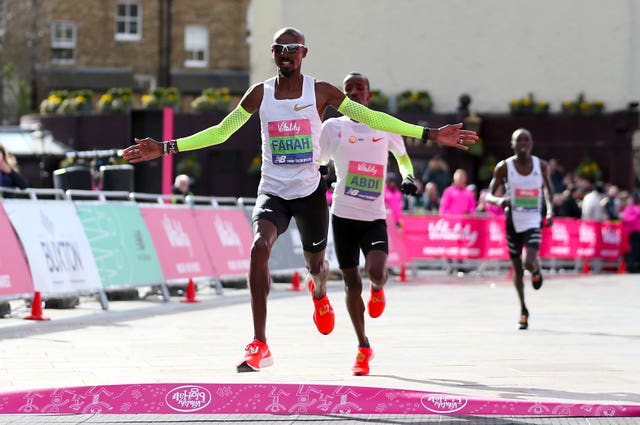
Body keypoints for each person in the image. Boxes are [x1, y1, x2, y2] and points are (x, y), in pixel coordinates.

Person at [122, 27, 477, 372]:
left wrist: (429, 134)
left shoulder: (319, 91)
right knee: (259, 247)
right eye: (279, 49)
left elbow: (371, 117)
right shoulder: (259, 94)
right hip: (273, 191)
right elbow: (222, 131)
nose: (286, 54)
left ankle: (319, 291)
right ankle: (259, 343)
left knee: (315, 266)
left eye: (293, 49)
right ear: (272, 54)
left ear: (304, 53)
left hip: (309, 196)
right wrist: (166, 147)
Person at [318, 72, 425, 375]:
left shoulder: (384, 123)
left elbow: (403, 158)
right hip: (342, 215)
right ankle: (363, 347)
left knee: (375, 271)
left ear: (369, 95)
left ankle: (378, 288)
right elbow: (320, 160)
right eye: (348, 89)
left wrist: (408, 178)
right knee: (352, 284)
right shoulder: (332, 127)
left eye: (359, 89)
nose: (353, 93)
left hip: (374, 216)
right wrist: (321, 174)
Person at [485, 128, 554, 330]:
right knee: (516, 268)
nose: (523, 143)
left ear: (532, 143)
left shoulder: (541, 166)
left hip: (533, 220)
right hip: (512, 222)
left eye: (526, 140)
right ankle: (523, 309)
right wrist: (500, 200)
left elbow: (549, 192)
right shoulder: (504, 167)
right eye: (518, 140)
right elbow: (488, 195)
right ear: (512, 144)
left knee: (528, 261)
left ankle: (536, 268)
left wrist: (550, 212)